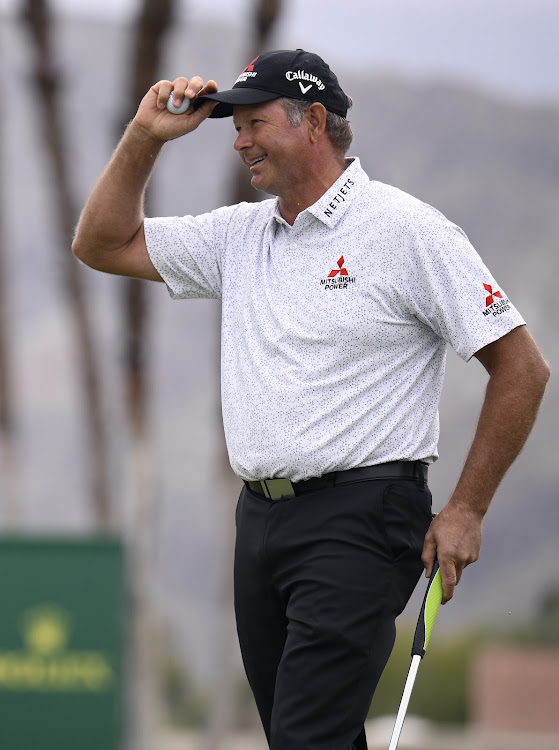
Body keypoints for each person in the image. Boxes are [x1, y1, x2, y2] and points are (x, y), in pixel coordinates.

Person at [72, 49, 549, 750]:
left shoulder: (404, 230)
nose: (239, 141)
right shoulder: (239, 234)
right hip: (261, 523)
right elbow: (101, 243)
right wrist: (144, 136)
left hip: (361, 519)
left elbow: (521, 367)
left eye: (253, 123)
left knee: (307, 738)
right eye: (235, 125)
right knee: (304, 736)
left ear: (314, 122)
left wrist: (467, 507)